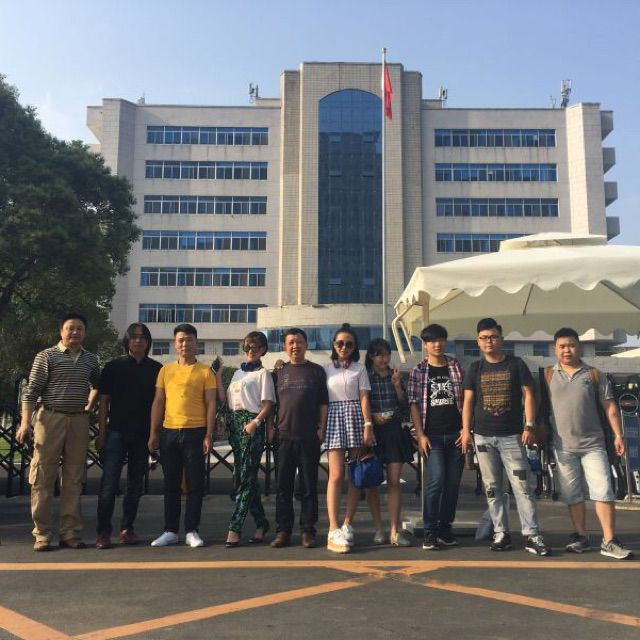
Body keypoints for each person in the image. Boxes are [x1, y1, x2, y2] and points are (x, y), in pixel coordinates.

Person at [461, 317, 550, 556]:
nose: (489, 341)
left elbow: (529, 395)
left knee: (522, 487)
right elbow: (468, 401)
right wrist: (466, 430)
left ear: (501, 339)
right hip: (483, 437)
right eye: (484, 338)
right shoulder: (475, 368)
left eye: (493, 337)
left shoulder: (516, 364)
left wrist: (529, 425)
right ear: (478, 342)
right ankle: (501, 532)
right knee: (492, 488)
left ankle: (531, 534)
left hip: (512, 436)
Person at [16, 312, 100, 551]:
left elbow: (97, 385)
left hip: (78, 420)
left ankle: (70, 533)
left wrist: (89, 406)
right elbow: (31, 391)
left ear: (85, 332)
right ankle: (42, 534)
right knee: (43, 476)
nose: (75, 332)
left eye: (80, 329)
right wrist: (25, 423)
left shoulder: (91, 360)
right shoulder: (47, 356)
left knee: (74, 478)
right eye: (70, 328)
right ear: (61, 331)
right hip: (50, 418)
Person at [546, 328, 632, 559]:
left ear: (579, 347)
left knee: (603, 491)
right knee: (572, 495)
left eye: (571, 345)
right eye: (562, 346)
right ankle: (581, 536)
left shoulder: (594, 374)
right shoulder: (548, 375)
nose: (567, 350)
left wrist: (618, 435)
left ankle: (609, 540)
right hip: (563, 447)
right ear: (555, 349)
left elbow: (610, 407)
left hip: (593, 445)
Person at [94, 323, 162, 549]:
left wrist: (154, 434)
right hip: (116, 432)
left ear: (148, 342)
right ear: (127, 341)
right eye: (133, 337)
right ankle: (103, 532)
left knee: (135, 484)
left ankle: (127, 528)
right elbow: (104, 401)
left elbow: (159, 404)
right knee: (109, 483)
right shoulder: (113, 367)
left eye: (143, 337)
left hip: (142, 435)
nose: (138, 341)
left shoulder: (156, 369)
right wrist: (102, 433)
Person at [148, 323, 216, 548]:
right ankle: (170, 530)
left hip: (195, 432)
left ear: (196, 343)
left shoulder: (205, 371)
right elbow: (159, 402)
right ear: (175, 344)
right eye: (181, 340)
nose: (185, 343)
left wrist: (209, 434)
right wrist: (153, 432)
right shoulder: (165, 370)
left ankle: (191, 530)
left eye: (189, 339)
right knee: (171, 483)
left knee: (195, 483)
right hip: (169, 432)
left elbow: (211, 404)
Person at [408, 324, 465, 550]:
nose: (437, 344)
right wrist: (420, 435)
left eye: (441, 339)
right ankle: (430, 531)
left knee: (453, 485)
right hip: (432, 437)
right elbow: (413, 404)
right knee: (436, 482)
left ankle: (445, 528)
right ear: (424, 345)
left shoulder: (455, 366)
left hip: (456, 435)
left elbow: (466, 398)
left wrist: (466, 429)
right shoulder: (419, 371)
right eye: (432, 341)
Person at [271, 328, 328, 549]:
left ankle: (307, 531)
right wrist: (270, 427)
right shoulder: (278, 372)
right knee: (282, 487)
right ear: (285, 347)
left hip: (309, 437)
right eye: (291, 343)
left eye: (299, 342)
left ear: (306, 344)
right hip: (284, 437)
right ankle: (283, 531)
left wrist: (322, 427)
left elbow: (323, 403)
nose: (295, 346)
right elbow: (271, 404)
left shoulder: (316, 371)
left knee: (308, 487)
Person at [219, 331, 275, 547]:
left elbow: (268, 404)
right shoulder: (237, 373)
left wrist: (256, 422)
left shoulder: (263, 374)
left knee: (245, 478)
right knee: (245, 477)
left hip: (251, 424)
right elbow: (225, 399)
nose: (250, 350)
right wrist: (219, 375)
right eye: (247, 346)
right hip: (235, 425)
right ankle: (261, 523)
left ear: (263, 350)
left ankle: (235, 527)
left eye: (255, 347)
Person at [324, 323, 374, 553]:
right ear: (334, 345)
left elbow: (364, 397)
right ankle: (332, 527)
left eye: (349, 344)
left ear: (355, 347)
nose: (344, 347)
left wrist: (368, 425)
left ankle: (347, 524)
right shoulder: (325, 369)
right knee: (335, 475)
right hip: (334, 417)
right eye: (340, 343)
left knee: (355, 475)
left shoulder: (360, 369)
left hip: (355, 417)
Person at [366, 338, 414, 547]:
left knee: (394, 481)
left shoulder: (396, 376)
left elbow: (405, 407)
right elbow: (361, 403)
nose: (384, 359)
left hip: (394, 431)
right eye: (379, 355)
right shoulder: (366, 377)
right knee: (372, 482)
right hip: (373, 432)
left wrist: (397, 386)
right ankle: (379, 529)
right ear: (371, 357)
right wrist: (372, 417)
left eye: (386, 355)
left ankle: (394, 530)